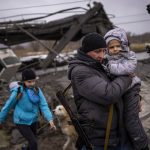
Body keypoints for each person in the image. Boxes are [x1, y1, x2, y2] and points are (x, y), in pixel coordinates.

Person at [68, 32, 135, 150]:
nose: (102, 55)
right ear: (86, 51)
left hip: (116, 133)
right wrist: (126, 76)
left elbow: (117, 88)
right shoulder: (80, 72)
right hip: (100, 138)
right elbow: (109, 94)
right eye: (98, 51)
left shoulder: (97, 65)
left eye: (104, 51)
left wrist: (135, 98)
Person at [104, 28, 149, 150]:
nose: (115, 49)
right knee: (121, 120)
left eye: (117, 46)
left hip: (131, 89)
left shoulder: (130, 56)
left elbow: (127, 69)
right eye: (111, 47)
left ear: (123, 45)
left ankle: (142, 145)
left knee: (131, 119)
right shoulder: (106, 59)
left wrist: (109, 67)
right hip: (119, 90)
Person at [0, 69, 56, 150]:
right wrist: (0, 119)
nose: (32, 84)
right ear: (24, 81)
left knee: (32, 143)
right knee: (34, 142)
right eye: (29, 81)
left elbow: (43, 105)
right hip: (21, 121)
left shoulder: (37, 90)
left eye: (34, 81)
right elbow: (8, 106)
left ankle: (24, 148)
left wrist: (50, 119)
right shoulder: (18, 91)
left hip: (33, 120)